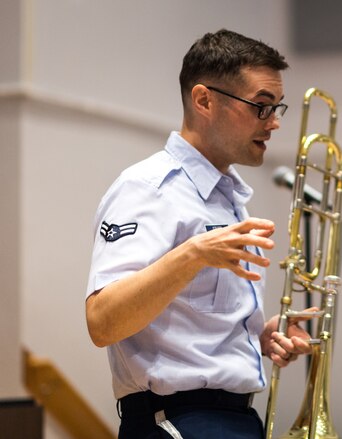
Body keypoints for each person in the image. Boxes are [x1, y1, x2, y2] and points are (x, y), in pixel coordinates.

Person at [85, 29, 312, 438]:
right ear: (204, 100)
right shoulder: (148, 188)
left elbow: (190, 325)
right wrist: (193, 254)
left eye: (277, 107)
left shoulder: (227, 197)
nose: (274, 122)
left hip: (236, 418)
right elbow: (102, 322)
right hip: (176, 420)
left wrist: (261, 335)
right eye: (261, 107)